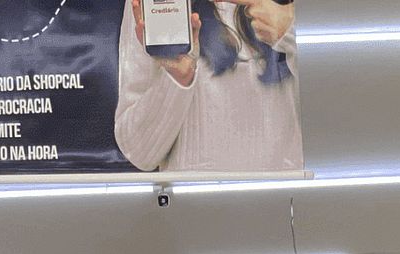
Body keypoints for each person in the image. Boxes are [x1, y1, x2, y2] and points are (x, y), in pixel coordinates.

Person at [115, 0, 302, 172]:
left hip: (290, 192)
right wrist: (177, 78)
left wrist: (289, 29)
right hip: (194, 194)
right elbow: (138, 151)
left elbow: (321, 115)